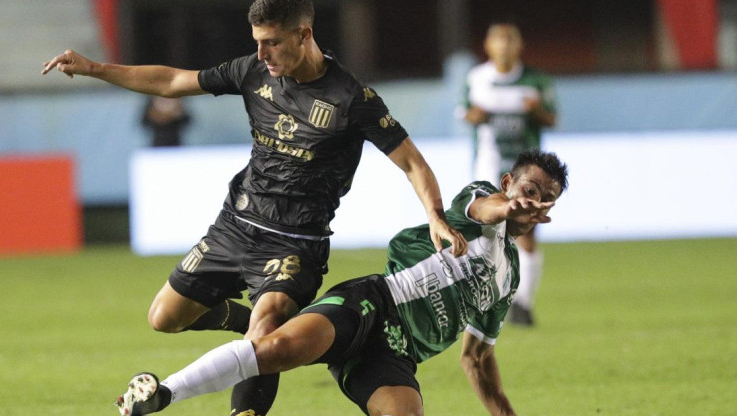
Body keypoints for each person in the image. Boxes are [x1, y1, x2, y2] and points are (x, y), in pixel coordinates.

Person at [42, 1, 467, 415]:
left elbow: (412, 161)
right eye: (257, 42)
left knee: (262, 335)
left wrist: (435, 215)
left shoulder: (350, 98)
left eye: (272, 42)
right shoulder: (252, 71)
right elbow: (173, 81)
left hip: (294, 245)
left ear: (304, 35)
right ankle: (242, 322)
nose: (262, 53)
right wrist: (95, 69)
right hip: (235, 225)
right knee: (164, 318)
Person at [114, 149, 568, 416]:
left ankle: (239, 324)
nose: (534, 201)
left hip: (397, 354)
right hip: (373, 304)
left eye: (545, 198)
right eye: (528, 188)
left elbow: (477, 357)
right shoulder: (478, 201)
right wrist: (509, 207)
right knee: (275, 350)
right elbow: (491, 209)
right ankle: (162, 393)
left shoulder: (509, 276)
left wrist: (504, 411)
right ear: (508, 182)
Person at [458, 20, 557, 326]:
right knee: (484, 234)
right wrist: (478, 114)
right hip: (489, 167)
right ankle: (485, 300)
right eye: (498, 41)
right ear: (488, 46)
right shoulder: (476, 79)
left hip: (528, 173)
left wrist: (536, 110)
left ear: (519, 46)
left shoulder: (535, 81)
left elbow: (551, 119)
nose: (504, 46)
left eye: (510, 40)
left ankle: (523, 305)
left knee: (526, 235)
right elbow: (465, 114)